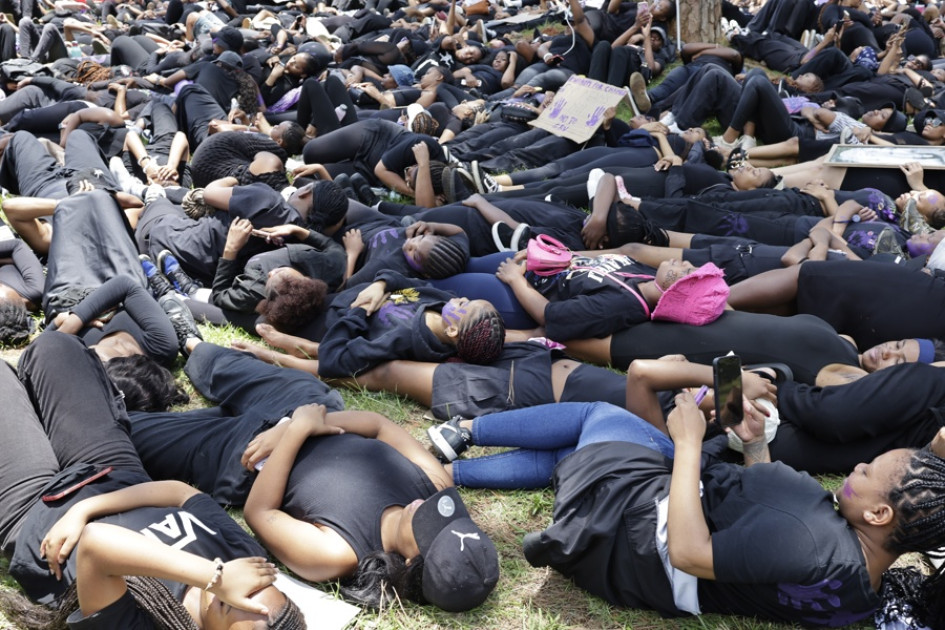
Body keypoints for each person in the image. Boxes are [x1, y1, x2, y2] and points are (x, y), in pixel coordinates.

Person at [427, 397, 945, 627]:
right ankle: (455, 473)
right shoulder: (861, 592)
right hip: (643, 552)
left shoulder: (808, 532)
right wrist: (754, 446)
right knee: (591, 448)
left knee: (599, 416)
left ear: (879, 516)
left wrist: (691, 440)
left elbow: (690, 551)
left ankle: (466, 431)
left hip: (621, 534)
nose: (855, 466)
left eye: (867, 471)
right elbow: (759, 541)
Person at [125, 341, 500, 612]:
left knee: (130, 429)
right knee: (205, 354)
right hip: (305, 407)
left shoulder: (335, 554)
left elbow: (261, 514)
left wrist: (294, 434)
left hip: (238, 457)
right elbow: (378, 425)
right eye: (451, 517)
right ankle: (186, 337)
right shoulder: (437, 488)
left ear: (408, 563)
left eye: (432, 526)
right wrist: (304, 421)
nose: (434, 509)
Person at [0, 332, 305, 629]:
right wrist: (87, 507)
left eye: (235, 604)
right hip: (113, 472)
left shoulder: (151, 623)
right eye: (255, 592)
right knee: (56, 346)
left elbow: (96, 543)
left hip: (33, 510)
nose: (246, 599)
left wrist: (214, 577)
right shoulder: (245, 559)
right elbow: (180, 493)